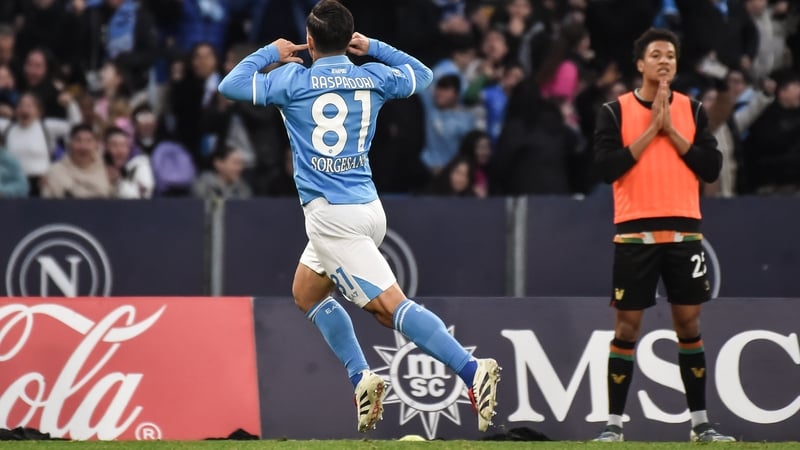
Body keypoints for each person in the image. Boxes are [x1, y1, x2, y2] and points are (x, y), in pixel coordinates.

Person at [218, 0, 500, 434]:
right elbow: (422, 76)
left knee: (391, 308)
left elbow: (231, 85)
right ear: (350, 39)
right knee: (307, 292)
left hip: (331, 217)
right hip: (367, 208)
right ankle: (363, 377)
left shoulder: (292, 79)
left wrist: (270, 53)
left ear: (309, 41)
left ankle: (470, 368)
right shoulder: (371, 76)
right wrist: (375, 47)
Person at [592, 28, 734, 442]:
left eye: (670, 55)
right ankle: (614, 426)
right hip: (635, 235)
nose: (664, 61)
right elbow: (606, 168)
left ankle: (701, 425)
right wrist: (651, 130)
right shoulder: (614, 111)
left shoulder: (692, 110)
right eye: (656, 55)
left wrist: (671, 130)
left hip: (685, 232)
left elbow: (710, 167)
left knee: (689, 325)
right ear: (640, 64)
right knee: (626, 329)